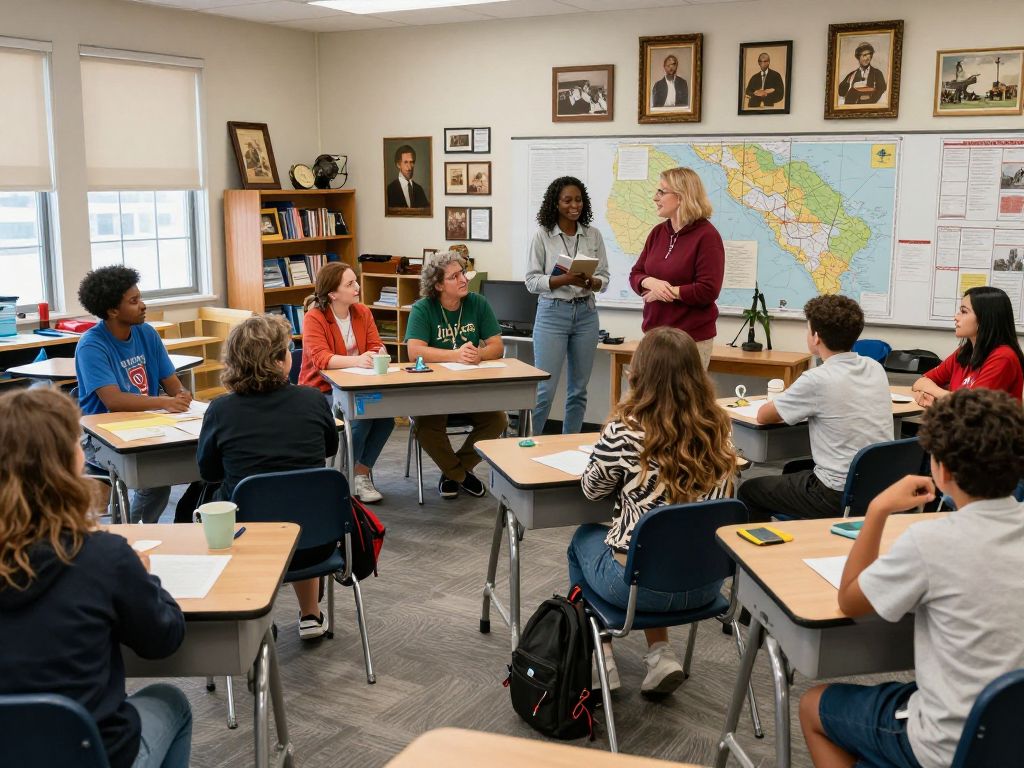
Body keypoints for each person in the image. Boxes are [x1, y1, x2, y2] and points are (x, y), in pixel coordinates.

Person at [799, 388, 1024, 768]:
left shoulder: (931, 541)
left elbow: (850, 601)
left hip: (946, 743)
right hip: (1013, 735)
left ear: (943, 470)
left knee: (811, 706)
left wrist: (877, 510)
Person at [0, 388, 191, 768]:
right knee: (172, 702)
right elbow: (163, 640)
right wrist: (145, 579)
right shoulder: (104, 558)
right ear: (67, 464)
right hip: (97, 753)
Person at [571, 328, 735, 696]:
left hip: (638, 590)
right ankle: (661, 655)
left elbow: (591, 490)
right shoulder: (719, 431)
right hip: (706, 586)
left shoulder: (624, 432)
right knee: (659, 548)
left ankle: (602, 659)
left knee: (583, 539)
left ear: (638, 374)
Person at [198, 314, 339, 640]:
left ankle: (253, 613)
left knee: (222, 506)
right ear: (279, 361)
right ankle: (310, 615)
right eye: (289, 350)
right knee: (297, 504)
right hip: (316, 541)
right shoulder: (313, 400)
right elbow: (329, 447)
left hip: (248, 541)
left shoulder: (220, 411)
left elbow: (209, 473)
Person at [737, 295, 893, 522]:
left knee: (750, 491)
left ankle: (758, 556)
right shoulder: (874, 367)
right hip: (875, 486)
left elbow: (764, 416)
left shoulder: (816, 379)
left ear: (816, 337)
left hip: (834, 494)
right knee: (793, 469)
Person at [75, 265, 193, 523]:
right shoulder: (91, 345)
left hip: (150, 428)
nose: (143, 305)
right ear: (112, 311)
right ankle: (128, 534)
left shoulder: (146, 333)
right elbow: (113, 401)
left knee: (187, 471)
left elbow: (172, 383)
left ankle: (139, 531)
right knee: (156, 481)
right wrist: (165, 401)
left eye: (140, 298)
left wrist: (182, 395)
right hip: (103, 438)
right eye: (134, 301)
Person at [404, 251, 506, 500]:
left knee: (498, 421)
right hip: (433, 391)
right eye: (455, 276)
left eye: (462, 273)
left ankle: (453, 471)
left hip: (470, 390)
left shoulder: (477, 303)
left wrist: (479, 355)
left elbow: (497, 346)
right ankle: (459, 474)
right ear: (438, 285)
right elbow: (414, 351)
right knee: (426, 427)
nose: (463, 279)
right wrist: (455, 355)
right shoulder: (422, 308)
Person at [299, 261, 394, 503]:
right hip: (322, 391)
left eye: (356, 281)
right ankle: (346, 476)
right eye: (350, 284)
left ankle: (360, 474)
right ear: (332, 293)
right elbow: (321, 359)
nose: (357, 287)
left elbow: (375, 345)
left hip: (360, 386)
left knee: (386, 418)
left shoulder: (363, 312)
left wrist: (376, 353)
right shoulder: (315, 317)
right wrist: (358, 361)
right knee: (360, 417)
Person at [525, 176, 610, 434]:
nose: (575, 205)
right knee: (544, 389)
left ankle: (568, 446)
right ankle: (528, 445)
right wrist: (564, 279)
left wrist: (592, 281)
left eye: (579, 199)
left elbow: (604, 278)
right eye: (567, 200)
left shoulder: (593, 235)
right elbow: (531, 281)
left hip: (586, 313)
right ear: (555, 203)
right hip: (553, 313)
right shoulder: (542, 236)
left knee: (578, 390)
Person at [628, 167, 724, 369]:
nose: (655, 197)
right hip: (654, 337)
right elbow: (636, 274)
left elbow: (708, 289)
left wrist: (668, 292)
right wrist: (650, 282)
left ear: (681, 197)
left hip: (690, 341)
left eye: (662, 192)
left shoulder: (707, 236)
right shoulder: (658, 232)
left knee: (684, 401)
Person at [911, 286, 1024, 405]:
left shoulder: (1003, 357)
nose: (956, 317)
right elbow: (921, 382)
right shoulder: (964, 352)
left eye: (964, 312)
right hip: (960, 422)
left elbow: (972, 405)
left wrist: (935, 392)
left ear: (984, 318)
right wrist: (932, 396)